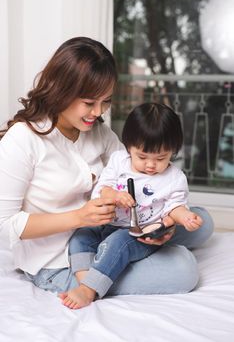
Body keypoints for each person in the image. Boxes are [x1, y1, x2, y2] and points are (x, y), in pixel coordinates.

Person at [0, 37, 213, 309]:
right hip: (58, 259)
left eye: (106, 101)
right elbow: (6, 226)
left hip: (113, 228)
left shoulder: (96, 131)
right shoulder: (23, 139)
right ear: (61, 90)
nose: (98, 112)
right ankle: (100, 272)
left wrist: (164, 224)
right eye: (89, 102)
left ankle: (143, 245)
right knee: (183, 269)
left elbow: (135, 173)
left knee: (202, 221)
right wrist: (79, 216)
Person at [61, 103, 203, 309]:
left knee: (119, 243)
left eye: (161, 158)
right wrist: (116, 196)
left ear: (173, 151)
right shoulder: (119, 161)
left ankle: (89, 289)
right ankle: (85, 280)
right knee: (81, 236)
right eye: (142, 157)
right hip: (107, 223)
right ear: (129, 147)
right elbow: (102, 189)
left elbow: (176, 207)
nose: (151, 165)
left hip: (139, 233)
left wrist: (185, 217)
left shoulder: (174, 178)